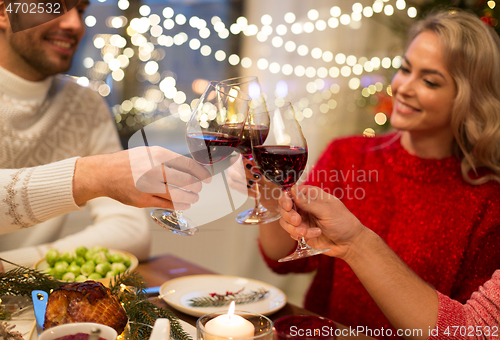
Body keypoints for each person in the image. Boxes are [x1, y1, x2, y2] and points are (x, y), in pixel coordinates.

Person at [253, 9, 500, 338]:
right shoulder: (348, 154)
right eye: (405, 69)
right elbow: (289, 256)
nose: (403, 88)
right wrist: (267, 193)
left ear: (467, 99)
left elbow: (466, 329)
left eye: (429, 81)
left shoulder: (487, 201)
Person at [0, 0, 210, 271]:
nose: (74, 24)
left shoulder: (83, 103)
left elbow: (131, 232)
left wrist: (12, 269)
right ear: (5, 12)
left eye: (81, 10)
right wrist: (91, 175)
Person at [279, 185, 500, 340]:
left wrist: (354, 243)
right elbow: (284, 261)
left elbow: (474, 332)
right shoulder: (347, 152)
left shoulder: (491, 199)